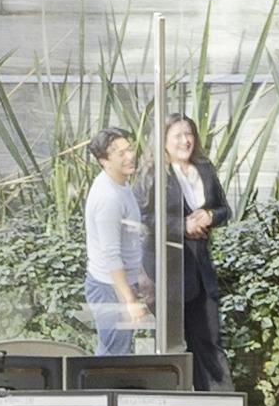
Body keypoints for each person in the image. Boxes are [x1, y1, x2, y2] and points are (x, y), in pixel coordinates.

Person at [150, 116, 233, 383]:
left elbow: (224, 209)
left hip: (201, 269)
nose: (186, 141)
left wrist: (210, 215)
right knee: (173, 344)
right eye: (178, 135)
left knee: (209, 339)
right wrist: (180, 226)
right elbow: (145, 220)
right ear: (163, 141)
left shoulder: (205, 169)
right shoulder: (155, 175)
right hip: (170, 271)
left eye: (189, 134)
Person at [75, 127, 159, 354]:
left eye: (129, 149)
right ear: (104, 160)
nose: (129, 156)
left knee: (115, 351)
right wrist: (128, 301)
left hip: (120, 285)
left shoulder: (121, 185)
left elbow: (129, 240)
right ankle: (99, 390)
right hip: (109, 288)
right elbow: (111, 255)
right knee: (112, 356)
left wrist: (140, 276)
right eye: (119, 153)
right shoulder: (108, 198)